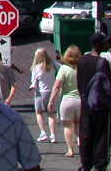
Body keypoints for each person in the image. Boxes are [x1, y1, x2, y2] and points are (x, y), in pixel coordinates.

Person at [77, 32, 111, 171]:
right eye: (105, 43)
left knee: (85, 135)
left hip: (85, 104)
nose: (107, 45)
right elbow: (107, 86)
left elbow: (79, 82)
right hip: (100, 106)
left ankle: (85, 164)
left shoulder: (81, 60)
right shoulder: (102, 62)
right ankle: (99, 164)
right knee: (101, 136)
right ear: (98, 44)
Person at [48, 44, 82, 157]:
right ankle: (81, 144)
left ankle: (70, 150)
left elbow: (57, 86)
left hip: (67, 101)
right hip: (80, 101)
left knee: (68, 126)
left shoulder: (63, 69)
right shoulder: (82, 69)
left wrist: (51, 101)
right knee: (79, 125)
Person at [28, 47, 57, 142]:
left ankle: (43, 133)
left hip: (41, 92)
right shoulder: (52, 64)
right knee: (51, 114)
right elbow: (61, 68)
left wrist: (33, 85)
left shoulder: (36, 67)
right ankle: (53, 135)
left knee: (39, 112)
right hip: (52, 92)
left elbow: (33, 81)